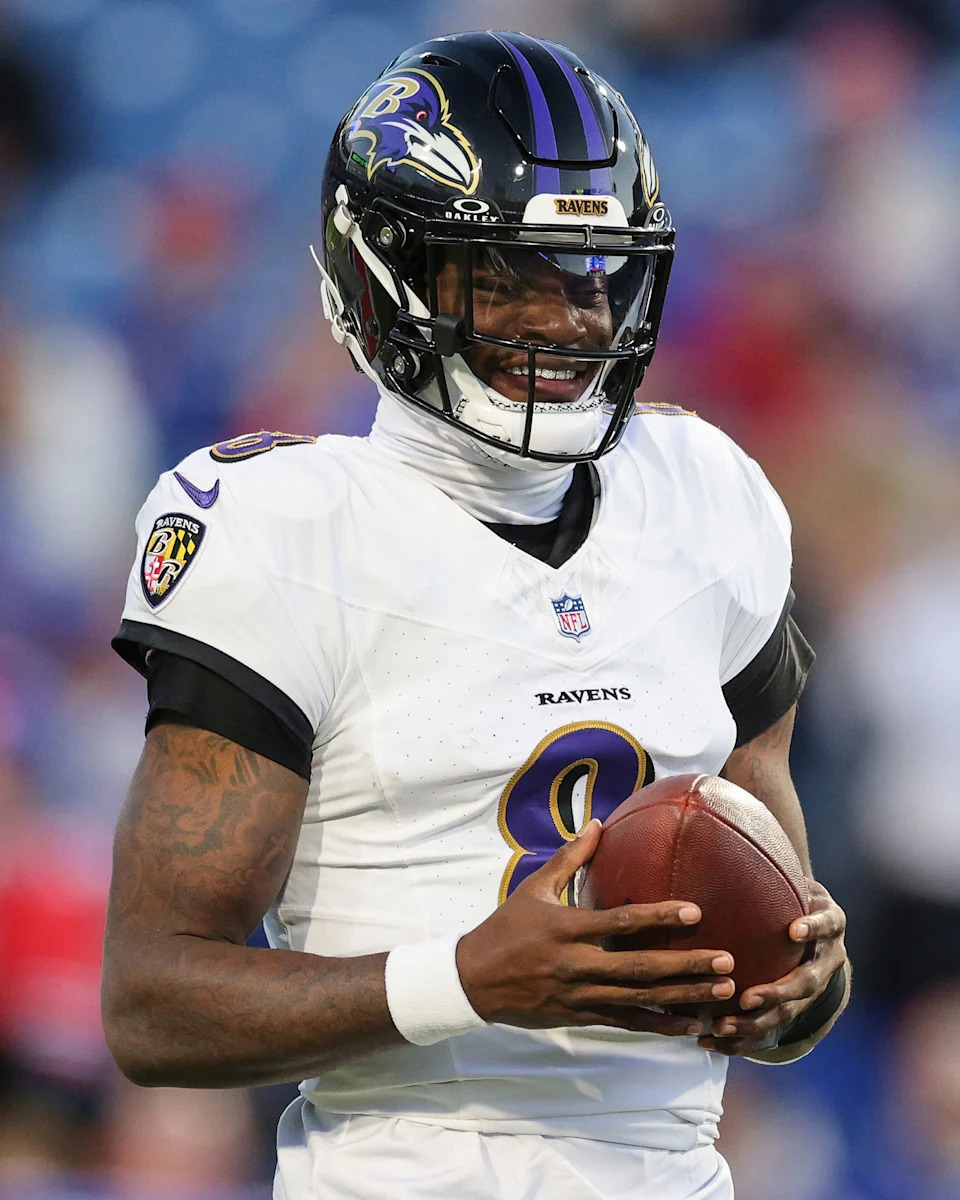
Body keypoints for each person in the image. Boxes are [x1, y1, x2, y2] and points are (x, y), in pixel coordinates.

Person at [101, 30, 850, 1200]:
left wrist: (802, 983)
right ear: (380, 275)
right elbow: (153, 1007)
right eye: (504, 273)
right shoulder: (285, 530)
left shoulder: (706, 496)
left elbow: (780, 953)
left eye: (590, 272)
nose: (568, 320)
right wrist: (465, 982)